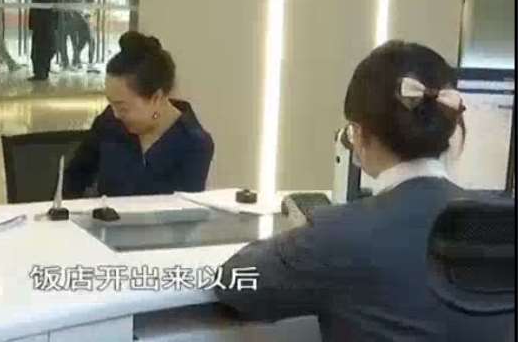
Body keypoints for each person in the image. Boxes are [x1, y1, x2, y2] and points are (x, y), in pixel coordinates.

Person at [215, 41, 514, 341]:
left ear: (359, 133)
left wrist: (299, 241)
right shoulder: (503, 225)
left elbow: (234, 281)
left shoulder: (339, 234)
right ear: (448, 128)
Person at [63, 31, 214, 198]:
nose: (115, 113)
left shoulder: (193, 144)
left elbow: (183, 209)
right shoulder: (109, 123)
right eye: (111, 103)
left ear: (156, 98)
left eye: (122, 107)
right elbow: (72, 179)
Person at [28, 0, 57, 81]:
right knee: (48, 49)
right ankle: (45, 71)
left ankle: (40, 73)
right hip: (49, 27)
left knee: (37, 51)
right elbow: (56, 11)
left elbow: (33, 10)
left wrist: (31, 25)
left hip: (39, 27)